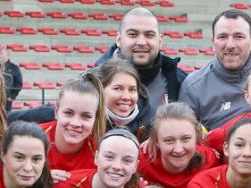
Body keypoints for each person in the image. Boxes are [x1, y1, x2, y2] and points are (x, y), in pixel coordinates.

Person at [179, 9, 251, 130]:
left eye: (238, 37)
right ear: (213, 42)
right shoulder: (194, 86)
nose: (230, 45)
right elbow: (186, 138)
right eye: (222, 37)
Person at [9, 60, 152, 140]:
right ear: (100, 89)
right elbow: (8, 120)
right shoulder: (60, 113)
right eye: (118, 88)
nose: (126, 97)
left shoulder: (149, 122)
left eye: (132, 90)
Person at [96, 7, 186, 113]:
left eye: (149, 35)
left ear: (160, 41)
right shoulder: (93, 80)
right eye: (133, 34)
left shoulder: (181, 82)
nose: (141, 42)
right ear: (118, 39)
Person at [0, 45, 22, 111]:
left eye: (1, 53)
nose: (0, 55)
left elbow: (19, 84)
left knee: (6, 118)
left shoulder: (14, 68)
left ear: (7, 55)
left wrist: (12, 97)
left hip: (7, 101)